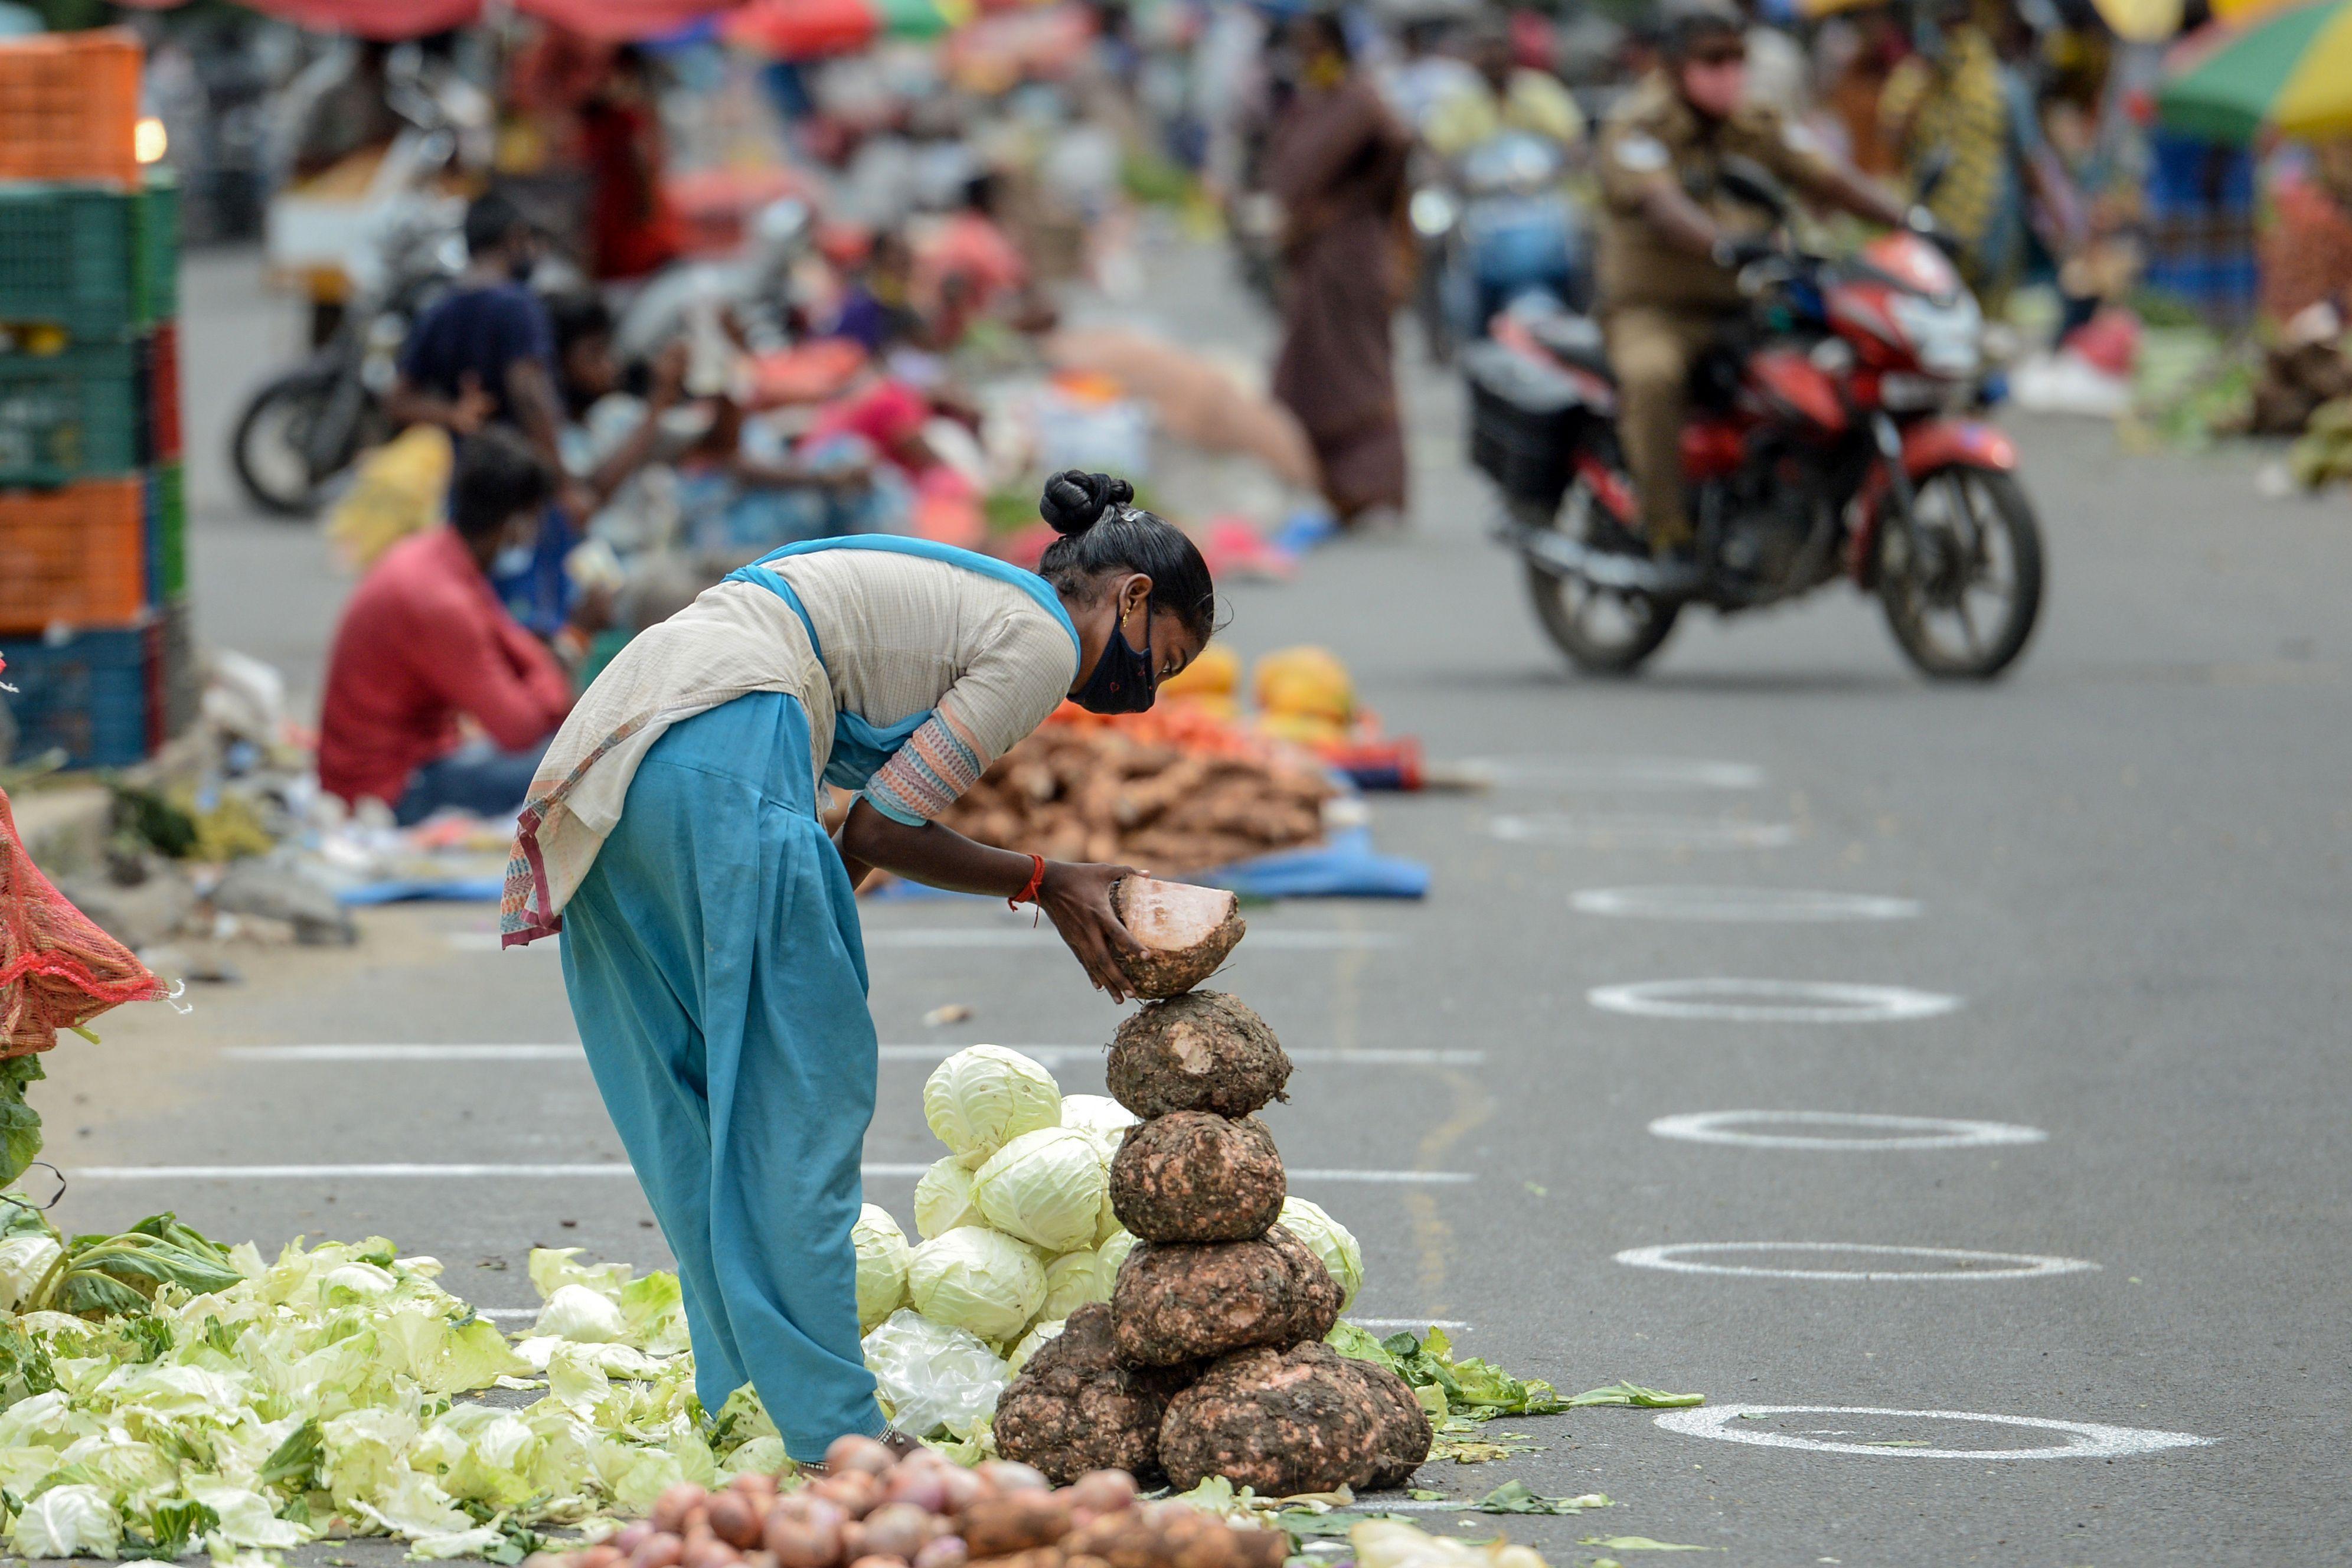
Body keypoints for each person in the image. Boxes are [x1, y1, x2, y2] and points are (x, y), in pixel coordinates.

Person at [498, 471, 1215, 1463]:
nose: (1145, 686)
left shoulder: (966, 593)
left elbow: (866, 830)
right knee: (802, 1105)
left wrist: (822, 906)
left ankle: (750, 1393)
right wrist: (1050, 880)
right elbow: (889, 821)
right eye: (1161, 659)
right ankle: (836, 1431)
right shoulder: (1046, 638)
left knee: (692, 1103)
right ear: (1130, 596)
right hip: (726, 736)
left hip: (619, 751)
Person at [1594, 0, 1914, 574]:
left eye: (1736, 59)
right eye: (1712, 61)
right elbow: (1664, 206)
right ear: (1673, 66)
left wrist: (1907, 220)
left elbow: (1829, 177)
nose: (1728, 74)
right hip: (1657, 311)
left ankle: (1807, 514)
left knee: (1824, 380)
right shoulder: (1638, 126)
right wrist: (1719, 241)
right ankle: (1666, 531)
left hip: (1748, 304)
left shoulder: (1753, 123)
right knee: (1653, 378)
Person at [317, 430, 576, 826]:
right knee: (578, 768)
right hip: (388, 790)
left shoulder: (437, 554)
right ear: (514, 524)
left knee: (566, 747)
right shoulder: (442, 600)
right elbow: (520, 728)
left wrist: (544, 679)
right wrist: (560, 668)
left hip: (398, 764)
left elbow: (515, 646)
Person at [387, 192, 594, 637]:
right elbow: (530, 393)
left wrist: (452, 415)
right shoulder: (518, 305)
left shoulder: (439, 310)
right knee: (534, 621)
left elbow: (398, 400)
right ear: (514, 239)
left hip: (465, 494)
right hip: (521, 497)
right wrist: (563, 484)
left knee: (474, 614)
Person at [1265, 11, 1413, 526]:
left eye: (1312, 45)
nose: (1305, 56)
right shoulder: (1313, 101)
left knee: (1358, 373)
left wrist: (1355, 200)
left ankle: (1372, 487)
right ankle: (1333, 489)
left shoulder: (1359, 99)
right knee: (1310, 371)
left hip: (1351, 255)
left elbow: (1398, 143)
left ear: (1333, 46)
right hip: (1314, 258)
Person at [1881, 0, 2028, 309]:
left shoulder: (2002, 87)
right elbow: (1894, 137)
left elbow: (2034, 161)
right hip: (1933, 228)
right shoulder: (1923, 82)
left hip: (1986, 231)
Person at [580, 45, 685, 284]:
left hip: (634, 224)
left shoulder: (626, 121)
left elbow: (643, 168)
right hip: (622, 221)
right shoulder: (611, 121)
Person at [1422, 19, 1585, 163]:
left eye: (1498, 46)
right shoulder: (1458, 98)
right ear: (1473, 54)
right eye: (1485, 47)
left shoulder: (1541, 89)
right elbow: (1437, 150)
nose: (1493, 55)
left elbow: (1572, 139)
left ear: (1512, 50)